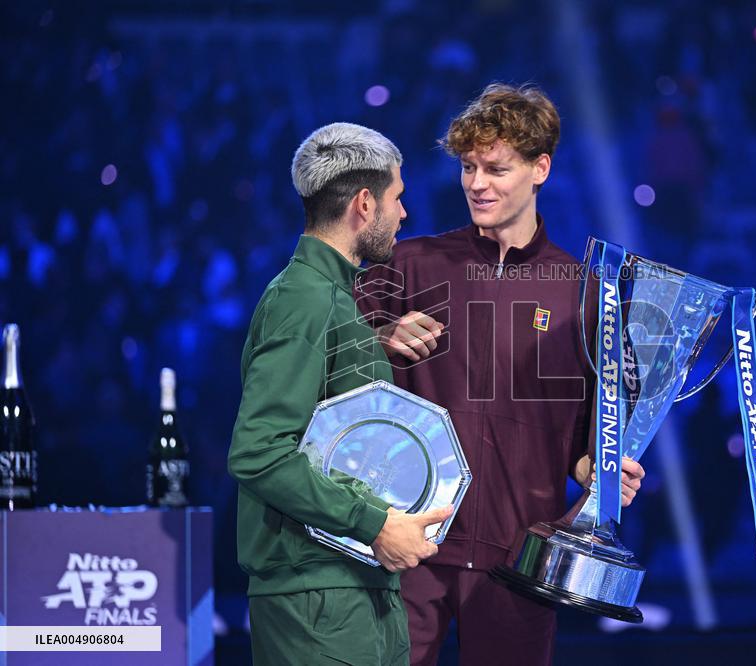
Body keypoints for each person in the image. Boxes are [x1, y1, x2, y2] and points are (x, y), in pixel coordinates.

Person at [356, 84, 644, 666]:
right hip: (409, 547)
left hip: (519, 559)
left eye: (496, 168)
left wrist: (597, 467)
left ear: (541, 168)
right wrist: (377, 339)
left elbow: (589, 429)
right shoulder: (409, 264)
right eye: (468, 167)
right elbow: (327, 367)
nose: (477, 184)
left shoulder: (583, 292)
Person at [228, 122, 452, 666]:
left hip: (351, 588)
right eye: (399, 198)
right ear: (364, 204)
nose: (406, 214)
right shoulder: (303, 299)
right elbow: (258, 451)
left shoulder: (331, 299)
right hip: (318, 599)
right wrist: (374, 523)